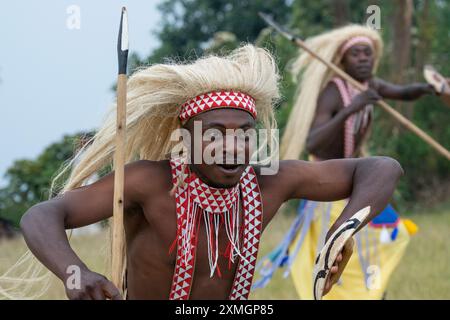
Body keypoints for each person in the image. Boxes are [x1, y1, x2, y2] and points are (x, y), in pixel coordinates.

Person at [15, 44, 403, 300]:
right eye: (214, 134)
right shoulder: (149, 182)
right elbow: (43, 215)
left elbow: (381, 168)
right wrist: (75, 274)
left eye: (244, 135)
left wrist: (344, 228)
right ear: (186, 139)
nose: (232, 146)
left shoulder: (270, 181)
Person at [255, 25, 428, 300]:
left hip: (362, 182)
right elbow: (313, 142)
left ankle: (374, 291)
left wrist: (430, 87)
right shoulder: (334, 91)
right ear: (342, 60)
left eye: (368, 54)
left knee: (389, 234)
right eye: (356, 54)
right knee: (343, 250)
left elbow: (405, 92)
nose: (363, 59)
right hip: (330, 187)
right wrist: (354, 107)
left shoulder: (370, 85)